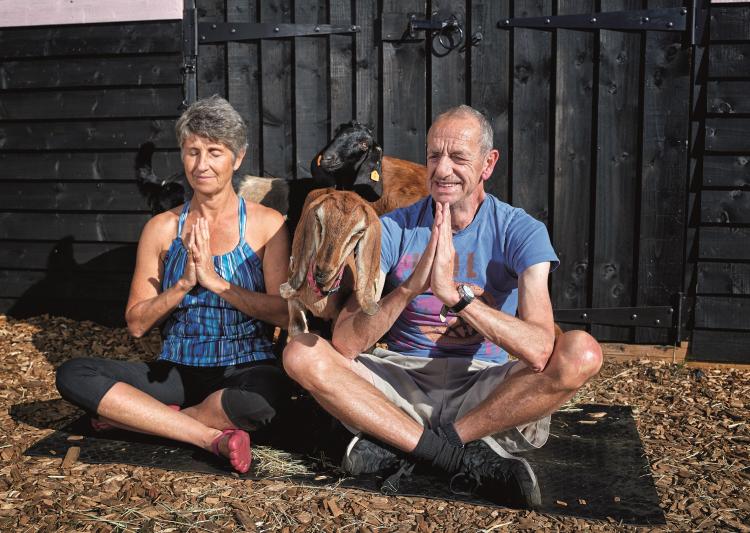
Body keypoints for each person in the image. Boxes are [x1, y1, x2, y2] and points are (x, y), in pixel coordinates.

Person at [282, 105, 603, 508]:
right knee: (301, 353)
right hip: (402, 383)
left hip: (483, 387)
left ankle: (414, 445)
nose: (442, 169)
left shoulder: (521, 230)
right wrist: (409, 288)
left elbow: (540, 348)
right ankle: (454, 455)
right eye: (435, 155)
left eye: (458, 157)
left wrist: (456, 296)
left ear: (488, 164)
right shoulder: (395, 228)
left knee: (582, 352)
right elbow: (345, 342)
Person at [56, 95, 291, 473]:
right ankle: (206, 434)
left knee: (265, 403)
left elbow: (286, 315)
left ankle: (152, 420)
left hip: (246, 367)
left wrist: (216, 282)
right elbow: (136, 323)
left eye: (215, 152)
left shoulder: (268, 225)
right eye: (192, 151)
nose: (202, 165)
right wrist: (183, 282)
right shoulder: (162, 229)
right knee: (73, 374)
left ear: (238, 157)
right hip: (177, 370)